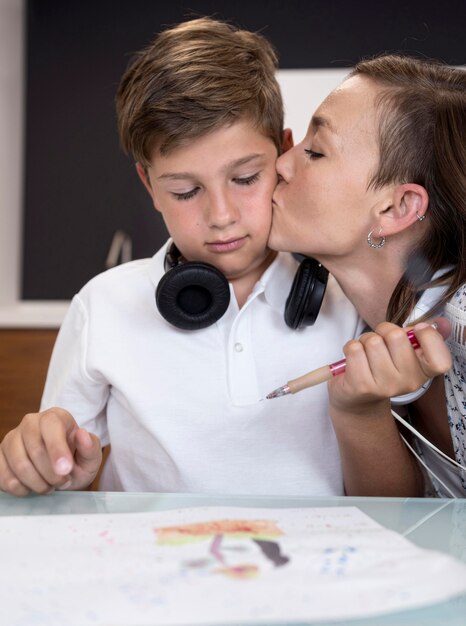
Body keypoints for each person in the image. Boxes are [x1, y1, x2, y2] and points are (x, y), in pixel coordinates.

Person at [0, 19, 444, 499]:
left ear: (284, 152)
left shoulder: (350, 299)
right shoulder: (103, 305)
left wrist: (367, 410)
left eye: (246, 178)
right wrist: (45, 462)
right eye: (186, 190)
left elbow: (398, 507)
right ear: (150, 186)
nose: (221, 216)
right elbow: (57, 461)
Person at [269, 53, 466, 497]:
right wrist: (359, 412)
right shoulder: (359, 324)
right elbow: (395, 525)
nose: (282, 163)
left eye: (315, 152)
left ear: (397, 209)